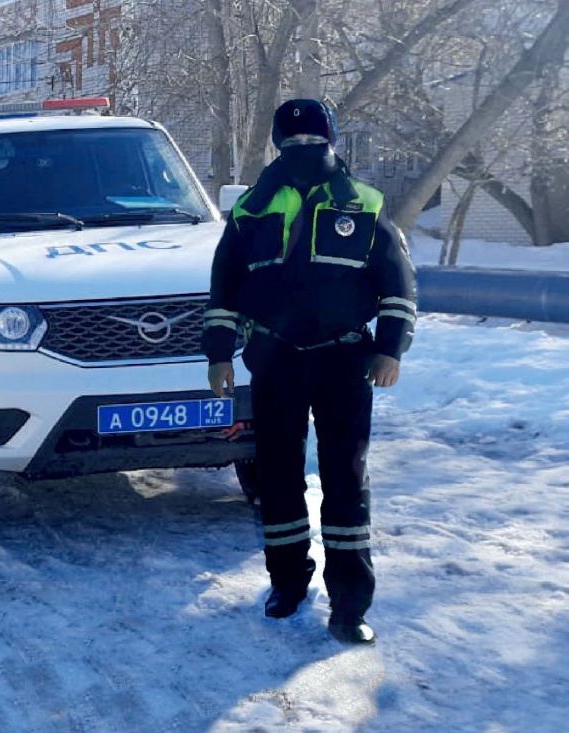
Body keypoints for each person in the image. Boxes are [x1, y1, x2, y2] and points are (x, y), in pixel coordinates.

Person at [202, 99, 417, 645]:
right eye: (292, 143)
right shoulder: (253, 208)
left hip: (344, 361)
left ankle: (349, 604)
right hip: (274, 360)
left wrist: (390, 348)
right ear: (278, 145)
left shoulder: (364, 203)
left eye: (313, 141)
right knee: (277, 476)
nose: (304, 151)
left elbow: (398, 283)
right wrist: (219, 353)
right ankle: (287, 582)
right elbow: (224, 288)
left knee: (346, 480)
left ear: (332, 141)